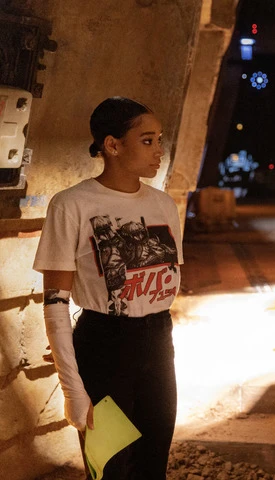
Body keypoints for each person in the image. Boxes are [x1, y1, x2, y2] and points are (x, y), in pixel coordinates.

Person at [33, 97, 182, 479]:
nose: (159, 150)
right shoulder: (71, 205)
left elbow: (165, 279)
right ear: (112, 145)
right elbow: (55, 303)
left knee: (152, 469)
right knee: (109, 471)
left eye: (159, 139)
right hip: (104, 347)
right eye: (147, 140)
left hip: (158, 343)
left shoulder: (164, 205)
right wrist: (72, 389)